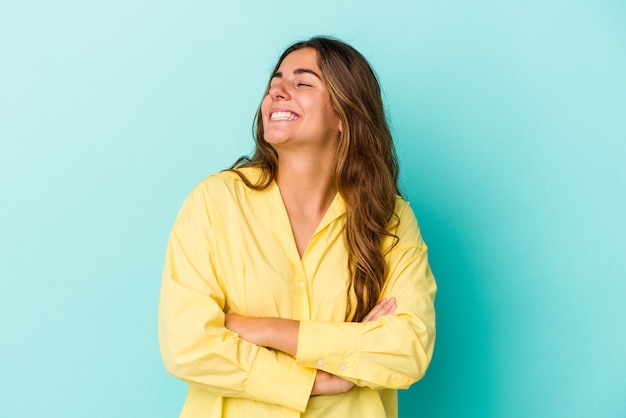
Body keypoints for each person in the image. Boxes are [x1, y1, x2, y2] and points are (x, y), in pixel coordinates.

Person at [158, 36, 436, 418]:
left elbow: (407, 350)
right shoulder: (215, 202)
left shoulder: (390, 219)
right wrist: (322, 376)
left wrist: (267, 330)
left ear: (345, 114)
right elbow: (187, 344)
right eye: (275, 82)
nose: (278, 90)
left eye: (303, 82)